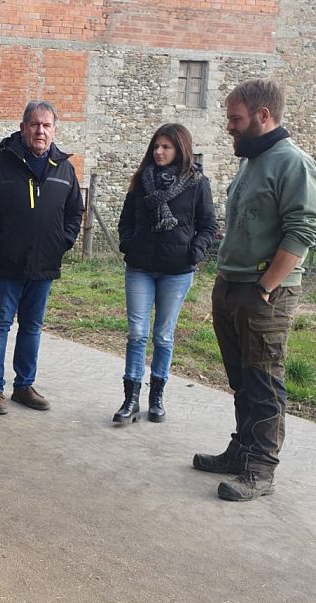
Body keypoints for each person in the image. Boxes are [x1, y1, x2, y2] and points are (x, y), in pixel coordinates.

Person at [194, 78, 316, 501]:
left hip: (264, 292)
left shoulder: (293, 163)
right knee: (242, 379)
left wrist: (266, 287)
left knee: (264, 380)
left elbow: (303, 230)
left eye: (235, 118)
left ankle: (261, 469)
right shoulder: (252, 162)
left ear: (263, 116)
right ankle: (243, 449)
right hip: (231, 285)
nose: (229, 126)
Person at [0, 100, 85, 414]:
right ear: (23, 128)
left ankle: (24, 386)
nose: (41, 130)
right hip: (5, 262)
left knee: (32, 327)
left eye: (47, 125)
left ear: (54, 130)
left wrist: (61, 243)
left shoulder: (64, 167)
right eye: (35, 124)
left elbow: (75, 211)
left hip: (44, 264)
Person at [114, 124, 217, 424]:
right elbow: (126, 219)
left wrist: (193, 252)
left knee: (163, 335)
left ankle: (156, 397)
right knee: (137, 333)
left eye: (166, 147)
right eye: (156, 146)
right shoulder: (141, 181)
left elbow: (208, 224)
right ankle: (130, 399)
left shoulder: (197, 183)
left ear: (180, 150)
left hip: (177, 271)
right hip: (140, 268)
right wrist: (128, 245)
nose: (159, 152)